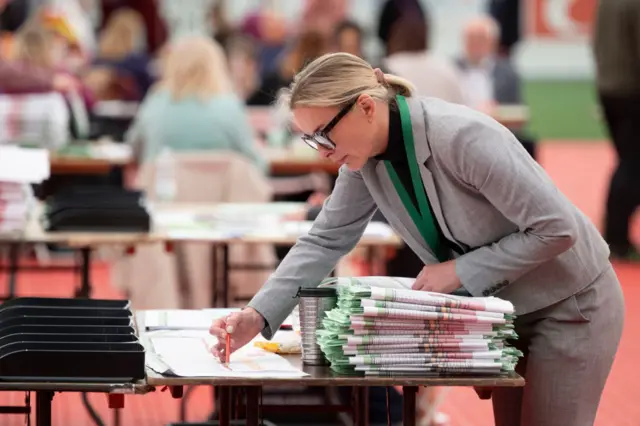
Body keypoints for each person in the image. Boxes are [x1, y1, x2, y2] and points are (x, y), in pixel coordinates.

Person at [211, 52, 625, 426]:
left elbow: (558, 228)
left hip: (572, 304)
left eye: (324, 135)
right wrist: (257, 315)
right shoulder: (362, 161)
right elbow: (324, 240)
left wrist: (459, 271)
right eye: (311, 139)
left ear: (366, 108)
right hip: (508, 311)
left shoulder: (463, 136)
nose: (321, 151)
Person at [125, 35, 266, 171]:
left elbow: (135, 147)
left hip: (163, 192)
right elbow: (256, 164)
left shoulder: (155, 103)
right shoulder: (229, 107)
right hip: (216, 194)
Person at [593, 0, 640, 260]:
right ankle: (616, 236)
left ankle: (616, 234)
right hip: (632, 89)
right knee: (632, 165)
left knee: (629, 162)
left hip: (610, 87)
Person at [456, 15, 536, 160]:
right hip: (459, 133)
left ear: (493, 42)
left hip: (497, 133)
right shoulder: (450, 70)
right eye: (471, 39)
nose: (475, 44)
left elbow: (518, 112)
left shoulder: (507, 73)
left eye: (481, 39)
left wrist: (496, 112)